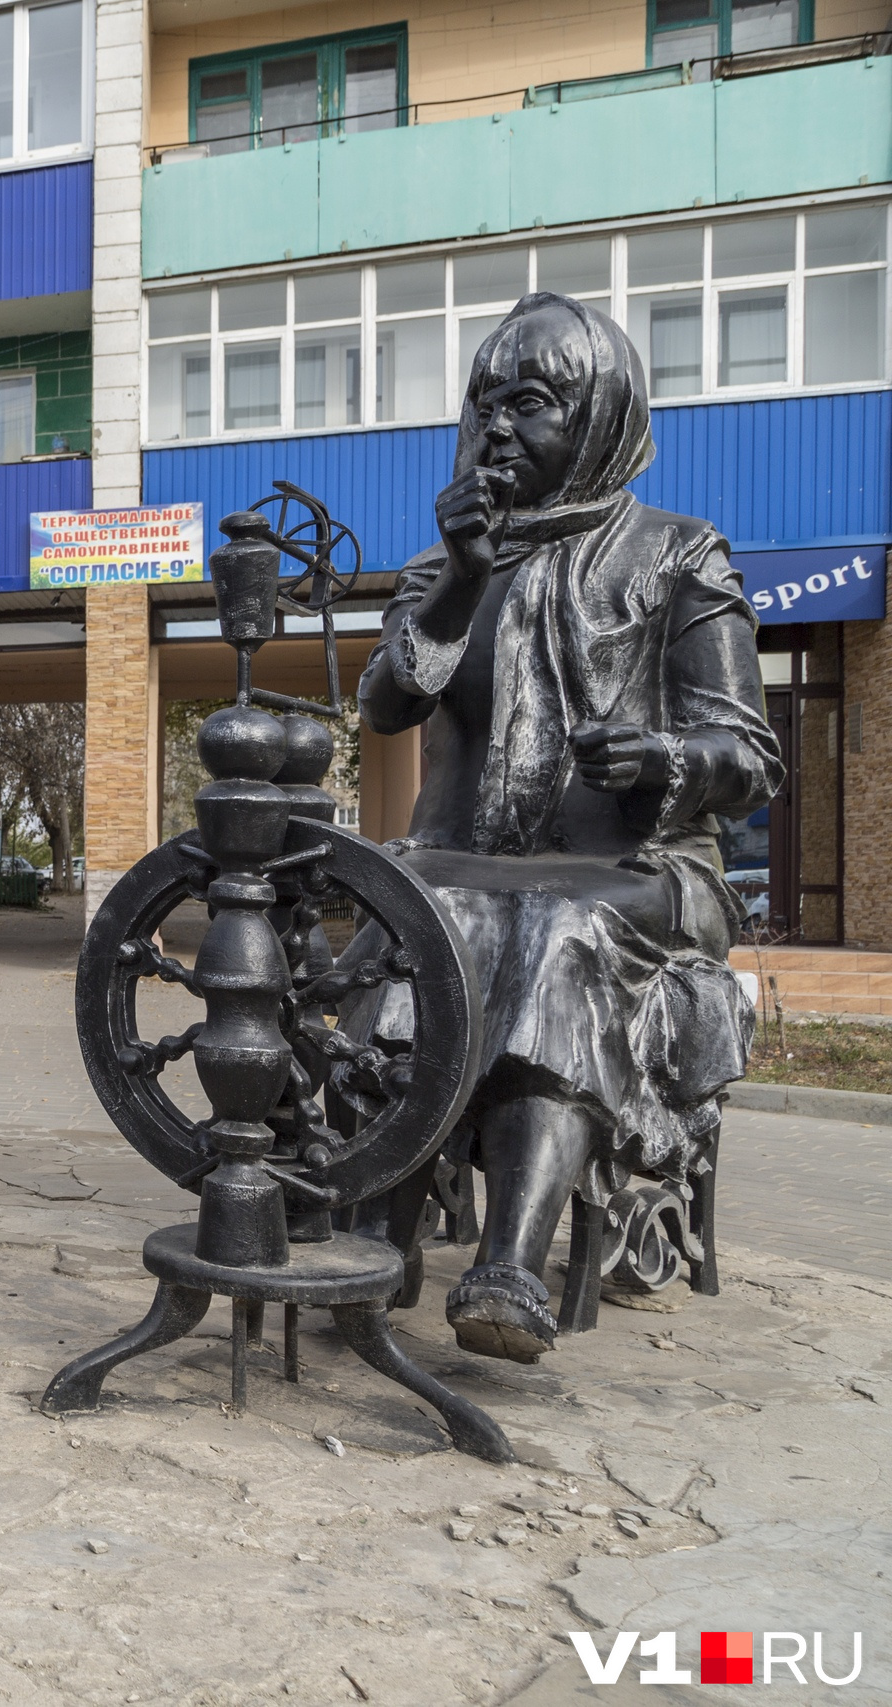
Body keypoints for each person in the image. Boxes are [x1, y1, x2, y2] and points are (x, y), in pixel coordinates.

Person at [349, 291, 781, 1364]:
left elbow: (750, 759)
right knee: (416, 914)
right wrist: (460, 581)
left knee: (551, 926)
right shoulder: (443, 564)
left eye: (530, 404)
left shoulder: (680, 559)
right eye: (484, 403)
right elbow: (386, 705)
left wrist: (667, 760)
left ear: (596, 415)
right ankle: (376, 1242)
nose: (496, 428)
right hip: (458, 862)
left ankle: (508, 1266)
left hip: (636, 871)